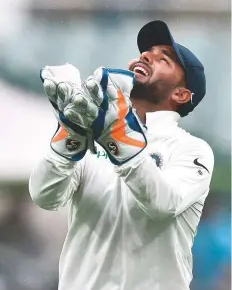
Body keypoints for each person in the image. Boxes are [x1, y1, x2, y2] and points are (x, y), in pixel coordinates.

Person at [29, 20, 214, 290]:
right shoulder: (91, 128)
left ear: (181, 94)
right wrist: (71, 135)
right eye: (146, 52)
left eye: (164, 59)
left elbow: (163, 204)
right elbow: (45, 196)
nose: (146, 55)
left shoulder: (192, 150)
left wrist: (117, 136)